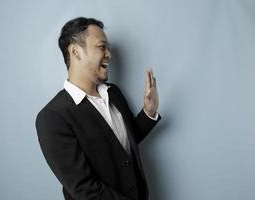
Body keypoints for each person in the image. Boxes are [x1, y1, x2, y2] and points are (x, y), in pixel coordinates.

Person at [35, 17, 161, 200]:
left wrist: (149, 112)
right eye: (102, 47)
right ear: (75, 51)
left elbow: (122, 145)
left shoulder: (114, 93)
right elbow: (85, 189)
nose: (109, 54)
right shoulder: (52, 118)